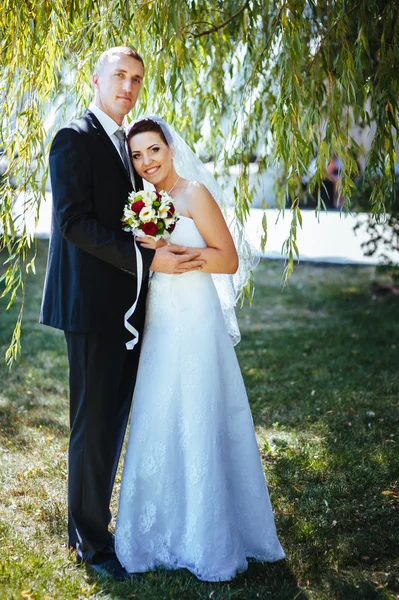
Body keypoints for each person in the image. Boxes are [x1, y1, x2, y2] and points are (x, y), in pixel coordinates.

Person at [40, 48, 204, 581]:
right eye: (119, 76)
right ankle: (91, 541)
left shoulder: (128, 145)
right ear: (95, 80)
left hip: (128, 307)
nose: (128, 86)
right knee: (93, 426)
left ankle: (84, 525)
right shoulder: (73, 137)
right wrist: (145, 256)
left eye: (136, 79)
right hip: (89, 307)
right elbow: (73, 223)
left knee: (110, 421)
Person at [115, 116, 285, 582]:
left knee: (199, 412)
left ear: (169, 148)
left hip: (196, 319)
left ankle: (209, 535)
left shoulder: (194, 194)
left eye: (153, 150)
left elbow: (227, 258)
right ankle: (156, 532)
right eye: (137, 155)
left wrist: (180, 257)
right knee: (159, 413)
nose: (146, 161)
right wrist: (152, 254)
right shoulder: (142, 202)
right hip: (160, 321)